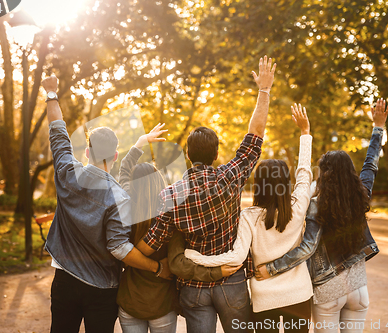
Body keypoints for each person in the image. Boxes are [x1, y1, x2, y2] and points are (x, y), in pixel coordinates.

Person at [135, 55, 277, 333]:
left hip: (193, 289)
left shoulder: (170, 195)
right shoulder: (229, 176)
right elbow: (256, 133)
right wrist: (264, 90)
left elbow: (149, 245)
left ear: (188, 155)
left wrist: (126, 255)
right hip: (232, 282)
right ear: (215, 153)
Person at [41, 75, 172, 333]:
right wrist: (156, 267)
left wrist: (51, 92)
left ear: (88, 152)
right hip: (102, 289)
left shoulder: (67, 171)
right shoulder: (119, 197)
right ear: (114, 155)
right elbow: (119, 247)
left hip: (64, 280)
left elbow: (57, 130)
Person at [255, 99, 388, 333]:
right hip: (358, 289)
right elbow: (370, 165)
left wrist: (272, 268)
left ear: (323, 175)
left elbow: (307, 248)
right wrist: (378, 127)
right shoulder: (361, 196)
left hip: (328, 290)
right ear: (349, 172)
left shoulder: (316, 206)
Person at [184, 103, 313, 333]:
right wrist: (305, 133)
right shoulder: (299, 205)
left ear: (258, 186)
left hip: (265, 298)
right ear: (286, 183)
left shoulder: (248, 217)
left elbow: (235, 258)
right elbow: (304, 171)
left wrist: (196, 257)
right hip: (299, 295)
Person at [116, 124, 240, 333]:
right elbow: (178, 264)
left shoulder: (126, 204)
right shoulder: (170, 213)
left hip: (131, 299)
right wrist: (215, 271)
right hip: (162, 303)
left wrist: (141, 142)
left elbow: (124, 172)